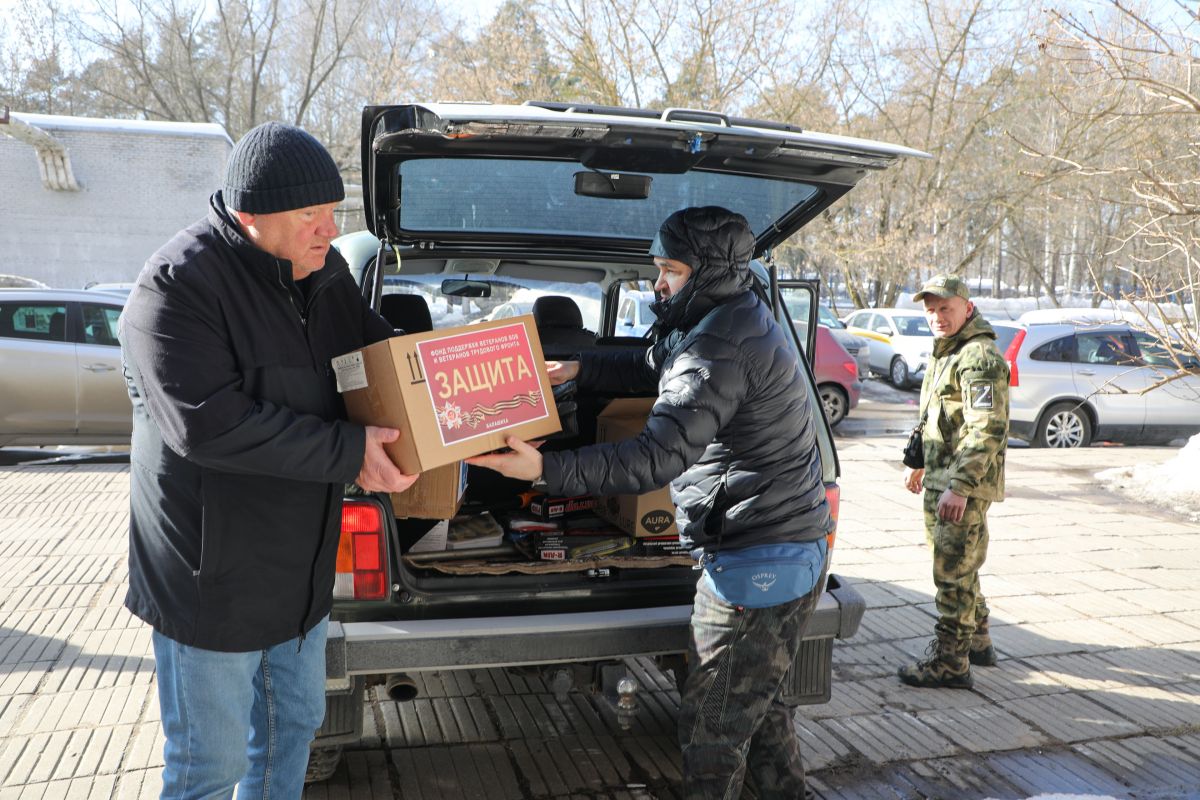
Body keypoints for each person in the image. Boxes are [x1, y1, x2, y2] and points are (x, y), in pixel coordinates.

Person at [468, 206, 833, 799]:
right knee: (759, 713)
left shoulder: (717, 346)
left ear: (707, 271)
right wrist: (577, 369)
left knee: (712, 732)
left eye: (670, 270)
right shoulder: (733, 313)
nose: (657, 283)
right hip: (782, 543)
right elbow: (651, 362)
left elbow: (652, 460)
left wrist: (545, 467)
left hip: (757, 561)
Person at [119, 121, 418, 799]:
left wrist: (476, 380)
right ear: (248, 218)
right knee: (209, 767)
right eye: (308, 216)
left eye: (333, 212)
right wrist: (351, 453)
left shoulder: (326, 270)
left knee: (292, 736)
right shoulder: (175, 288)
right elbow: (210, 427)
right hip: (211, 579)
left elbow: (381, 360)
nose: (326, 229)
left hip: (300, 577)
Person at [899, 274, 1009, 689]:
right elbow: (938, 418)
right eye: (930, 310)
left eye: (945, 308)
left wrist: (960, 487)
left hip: (960, 486)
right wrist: (920, 461)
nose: (937, 317)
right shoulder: (949, 351)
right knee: (962, 564)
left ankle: (951, 663)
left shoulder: (977, 357)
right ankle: (978, 641)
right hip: (943, 476)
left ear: (966, 306)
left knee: (951, 574)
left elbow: (986, 428)